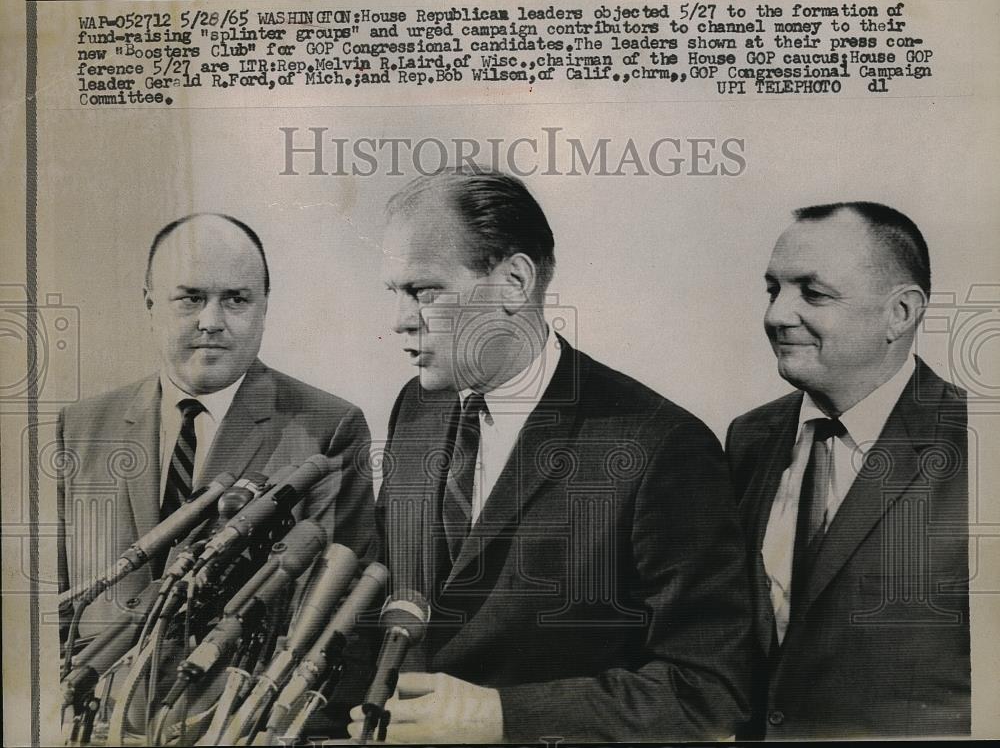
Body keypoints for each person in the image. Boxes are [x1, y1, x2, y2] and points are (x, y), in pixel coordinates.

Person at [350, 169, 752, 742]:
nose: (400, 320)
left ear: (515, 281)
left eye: (424, 290)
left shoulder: (662, 445)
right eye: (394, 292)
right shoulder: (415, 408)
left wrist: (497, 716)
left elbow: (708, 692)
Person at [57, 213, 374, 637]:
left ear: (265, 308)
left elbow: (327, 615)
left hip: (230, 698)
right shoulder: (79, 428)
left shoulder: (330, 429)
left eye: (236, 300)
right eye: (190, 298)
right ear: (151, 305)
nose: (211, 321)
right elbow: (48, 607)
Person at [726, 202, 970, 738]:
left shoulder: (980, 446)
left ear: (901, 313)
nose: (776, 315)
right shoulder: (749, 438)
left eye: (813, 292)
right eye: (774, 290)